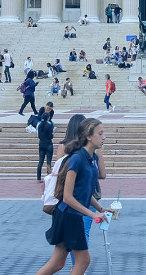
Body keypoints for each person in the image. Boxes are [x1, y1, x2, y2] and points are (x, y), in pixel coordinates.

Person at [36, 118, 111, 275]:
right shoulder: (77, 158)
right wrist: (92, 213)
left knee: (57, 263)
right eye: (100, 133)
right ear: (89, 136)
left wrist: (101, 208)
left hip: (72, 215)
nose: (104, 137)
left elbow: (85, 192)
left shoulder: (93, 159)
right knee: (83, 261)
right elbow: (67, 197)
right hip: (67, 215)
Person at [36, 108, 55, 182]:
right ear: (48, 118)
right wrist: (53, 133)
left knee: (40, 161)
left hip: (41, 144)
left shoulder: (40, 125)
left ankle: (38, 178)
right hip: (48, 144)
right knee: (48, 161)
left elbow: (39, 136)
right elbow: (50, 137)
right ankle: (48, 176)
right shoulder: (49, 126)